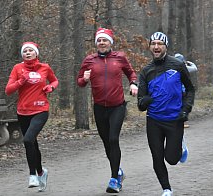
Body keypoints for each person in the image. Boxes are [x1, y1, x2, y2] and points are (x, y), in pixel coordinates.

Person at [76, 27, 138, 193]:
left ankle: (114, 180)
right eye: (99, 41)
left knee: (113, 139)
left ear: (110, 42)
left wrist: (133, 83)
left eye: (105, 40)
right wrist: (85, 79)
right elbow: (80, 82)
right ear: (96, 43)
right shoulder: (89, 60)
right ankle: (118, 171)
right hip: (99, 108)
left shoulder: (120, 57)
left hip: (117, 106)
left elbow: (131, 73)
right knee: (106, 142)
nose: (102, 43)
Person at [137, 32, 195, 196]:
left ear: (165, 46)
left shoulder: (177, 65)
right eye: (153, 43)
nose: (156, 46)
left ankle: (180, 146)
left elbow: (190, 89)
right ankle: (166, 189)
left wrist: (186, 109)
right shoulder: (146, 71)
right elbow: (141, 102)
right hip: (154, 120)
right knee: (157, 157)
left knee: (171, 159)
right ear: (150, 47)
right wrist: (144, 101)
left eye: (159, 44)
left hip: (174, 119)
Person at [5, 41, 58, 192]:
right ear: (22, 55)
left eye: (30, 50)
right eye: (25, 51)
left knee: (27, 139)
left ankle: (32, 175)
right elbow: (8, 90)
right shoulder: (18, 68)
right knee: (32, 143)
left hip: (41, 109)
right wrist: (21, 81)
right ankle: (41, 172)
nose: (27, 53)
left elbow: (54, 80)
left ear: (36, 53)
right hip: (23, 111)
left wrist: (51, 87)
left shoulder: (45, 67)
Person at [174, 53, 198, 128]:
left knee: (178, 105)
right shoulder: (185, 68)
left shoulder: (171, 67)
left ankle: (180, 120)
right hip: (182, 90)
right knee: (184, 106)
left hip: (175, 90)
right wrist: (189, 62)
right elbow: (194, 68)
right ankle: (182, 121)